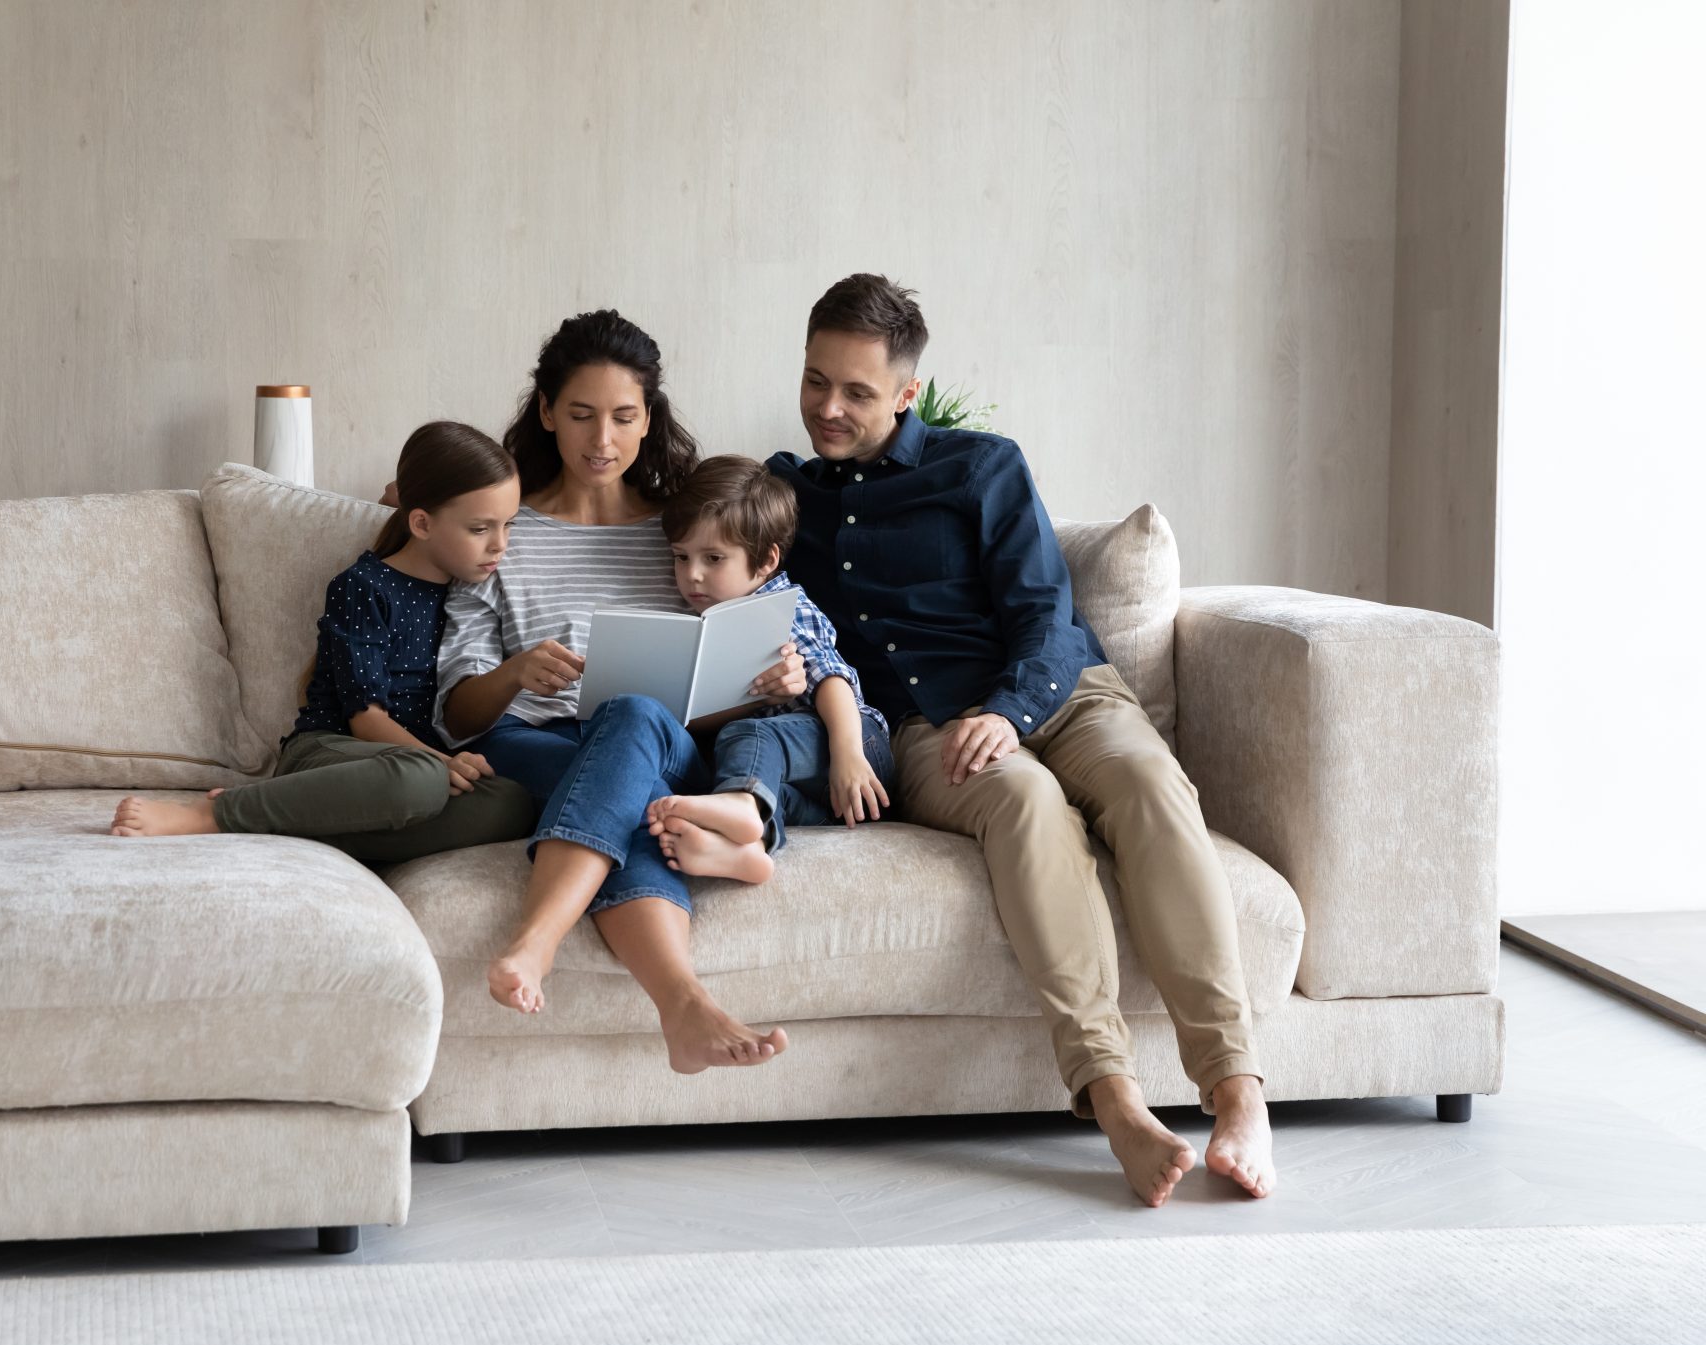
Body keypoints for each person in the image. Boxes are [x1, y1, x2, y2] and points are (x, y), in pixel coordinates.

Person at [766, 273, 1276, 1207]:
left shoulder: (980, 466)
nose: (828, 408)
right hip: (928, 729)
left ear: (908, 393)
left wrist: (1007, 709)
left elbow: (1045, 609)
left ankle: (1239, 1092)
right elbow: (702, 545)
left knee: (1151, 785)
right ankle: (1115, 1098)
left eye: (857, 391)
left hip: (1059, 692)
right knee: (1027, 801)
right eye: (814, 381)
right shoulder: (785, 500)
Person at [436, 311, 803, 1073]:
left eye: (624, 416)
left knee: (632, 715)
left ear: (648, 418)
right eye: (581, 414)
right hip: (531, 741)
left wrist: (769, 685)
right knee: (635, 799)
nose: (602, 439)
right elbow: (457, 714)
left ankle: (535, 941)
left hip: (662, 742)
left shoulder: (686, 531)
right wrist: (514, 671)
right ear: (546, 412)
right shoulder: (500, 530)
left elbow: (710, 692)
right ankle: (684, 1005)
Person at [109, 421, 534, 859]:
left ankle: (289, 822)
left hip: (405, 772)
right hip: (332, 750)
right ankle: (215, 815)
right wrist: (442, 762)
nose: (500, 545)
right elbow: (365, 721)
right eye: (481, 529)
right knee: (420, 778)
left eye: (509, 525)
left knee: (513, 803)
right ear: (422, 523)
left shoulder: (468, 596)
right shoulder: (365, 586)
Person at [641, 455, 894, 884]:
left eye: (713, 558)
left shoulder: (779, 606)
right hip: (824, 798)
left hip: (853, 742)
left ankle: (740, 804)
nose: (692, 575)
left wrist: (849, 754)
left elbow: (831, 678)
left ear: (765, 561)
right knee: (761, 786)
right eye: (681, 557)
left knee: (748, 735)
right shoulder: (699, 625)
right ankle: (750, 845)